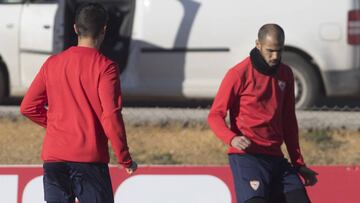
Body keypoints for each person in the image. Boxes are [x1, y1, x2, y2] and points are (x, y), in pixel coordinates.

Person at [20, 3, 137, 203]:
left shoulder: (52, 63)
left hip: (54, 158)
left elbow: (28, 107)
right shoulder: (106, 67)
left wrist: (58, 125)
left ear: (75, 28)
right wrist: (124, 157)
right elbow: (110, 115)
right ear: (104, 30)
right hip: (88, 161)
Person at [208, 24, 318, 203]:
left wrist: (298, 163)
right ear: (258, 45)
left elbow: (289, 121)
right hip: (247, 158)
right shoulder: (238, 74)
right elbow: (214, 115)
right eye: (270, 50)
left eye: (279, 50)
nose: (275, 56)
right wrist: (232, 138)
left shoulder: (286, 74)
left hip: (276, 158)